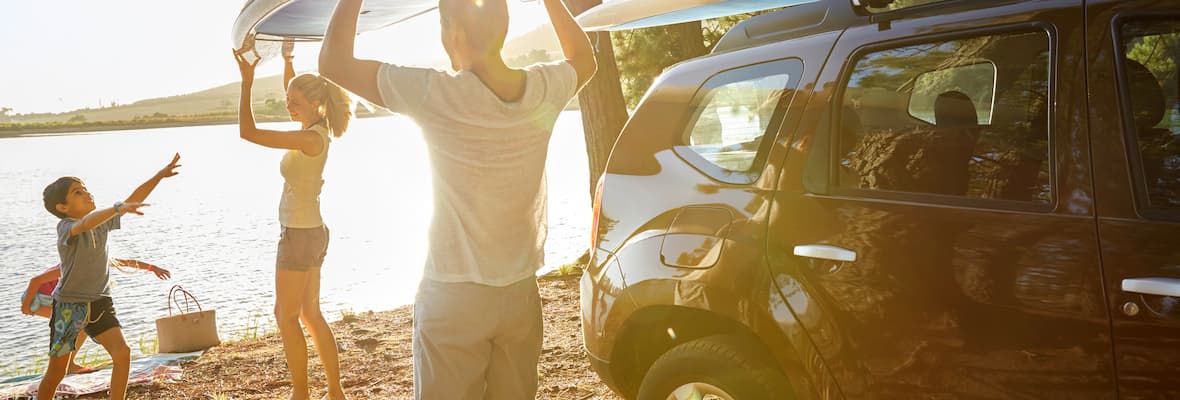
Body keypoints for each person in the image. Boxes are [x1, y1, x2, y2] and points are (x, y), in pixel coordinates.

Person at [319, 0, 596, 397]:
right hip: (519, 295)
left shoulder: (437, 93)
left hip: (454, 296)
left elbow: (333, 63)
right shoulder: (542, 89)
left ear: (455, 35)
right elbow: (585, 58)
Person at [233, 40, 352, 400]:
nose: (289, 106)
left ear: (314, 103)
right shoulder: (316, 128)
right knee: (310, 314)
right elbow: (296, 89)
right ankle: (335, 392)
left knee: (285, 317)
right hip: (311, 231)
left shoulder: (308, 139)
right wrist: (288, 60)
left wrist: (246, 81)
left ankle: (301, 393)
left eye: (294, 103)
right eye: (288, 100)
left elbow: (248, 133)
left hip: (300, 235)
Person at [37, 154, 181, 400]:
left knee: (122, 353)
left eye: (85, 189)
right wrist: (116, 208)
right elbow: (84, 225)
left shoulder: (102, 223)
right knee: (56, 372)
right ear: (63, 207)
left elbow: (133, 199)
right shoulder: (66, 227)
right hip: (69, 306)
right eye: (77, 192)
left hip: (100, 302)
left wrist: (159, 175)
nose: (87, 193)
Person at [21, 259, 171, 374]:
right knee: (75, 326)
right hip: (37, 298)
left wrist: (153, 268)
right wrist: (26, 306)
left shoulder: (97, 259)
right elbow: (35, 281)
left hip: (53, 297)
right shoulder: (74, 266)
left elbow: (126, 262)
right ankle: (62, 367)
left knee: (81, 326)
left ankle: (68, 364)